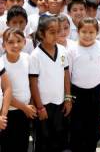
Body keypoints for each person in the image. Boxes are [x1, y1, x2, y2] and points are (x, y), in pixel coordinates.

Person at [29, 16, 72, 152]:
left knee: (59, 134)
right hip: (44, 106)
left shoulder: (63, 51)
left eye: (58, 31)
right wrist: (40, 107)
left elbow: (66, 75)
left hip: (60, 102)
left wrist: (68, 98)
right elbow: (33, 83)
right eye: (52, 32)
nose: (56, 35)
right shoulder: (35, 55)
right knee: (43, 138)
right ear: (42, 34)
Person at [68, 17, 100, 152]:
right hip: (77, 91)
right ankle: (76, 147)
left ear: (97, 33)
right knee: (77, 122)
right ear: (78, 32)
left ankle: (91, 147)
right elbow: (68, 73)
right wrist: (68, 95)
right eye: (84, 32)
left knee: (93, 121)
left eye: (91, 32)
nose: (88, 35)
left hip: (95, 90)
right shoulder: (72, 49)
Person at [1, 28, 31, 152]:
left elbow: (32, 83)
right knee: (8, 146)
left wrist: (29, 107)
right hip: (8, 112)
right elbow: (4, 93)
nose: (15, 45)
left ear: (25, 42)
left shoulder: (27, 58)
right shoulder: (2, 64)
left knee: (23, 144)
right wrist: (24, 107)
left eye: (19, 41)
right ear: (3, 45)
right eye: (11, 42)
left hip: (25, 112)